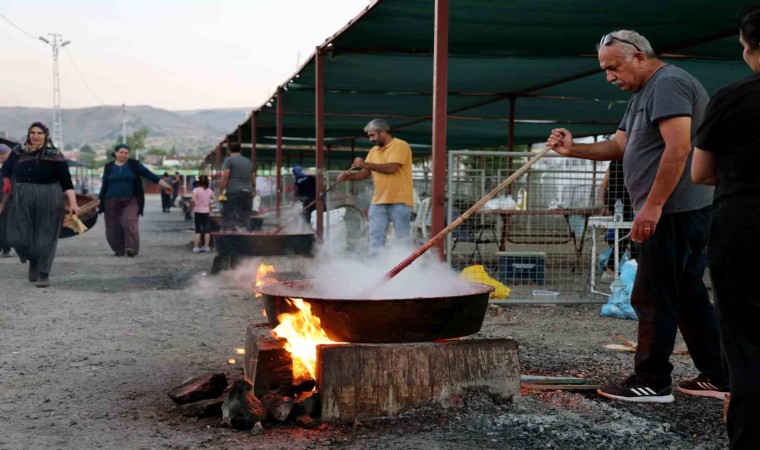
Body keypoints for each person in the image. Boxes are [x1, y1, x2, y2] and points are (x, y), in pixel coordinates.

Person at [546, 30, 726, 403]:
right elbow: (619, 145)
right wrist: (571, 148)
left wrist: (654, 204)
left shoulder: (669, 83)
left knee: (654, 293)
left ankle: (652, 379)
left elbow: (679, 147)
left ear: (640, 57)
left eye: (614, 67)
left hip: (677, 210)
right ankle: (718, 374)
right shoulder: (643, 93)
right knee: (687, 293)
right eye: (605, 69)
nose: (609, 77)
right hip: (677, 210)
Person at [691, 8, 760, 448]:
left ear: (750, 45)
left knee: (747, 346)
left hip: (745, 233)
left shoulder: (734, 96)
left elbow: (701, 172)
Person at [1, 122, 80, 287]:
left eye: (40, 133)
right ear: (28, 134)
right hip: (22, 196)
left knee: (45, 235)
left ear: (46, 135)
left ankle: (43, 272)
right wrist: (7, 181)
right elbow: (5, 170)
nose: (36, 136)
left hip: (49, 197)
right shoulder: (18, 151)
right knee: (17, 236)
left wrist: (73, 203)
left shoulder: (53, 153)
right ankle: (33, 261)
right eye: (33, 132)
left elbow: (66, 181)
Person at [337, 118, 414, 255]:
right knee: (375, 240)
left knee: (403, 240)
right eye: (369, 136)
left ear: (383, 132)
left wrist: (365, 164)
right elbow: (364, 174)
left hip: (400, 201)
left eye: (372, 135)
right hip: (378, 202)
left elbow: (392, 168)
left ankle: (407, 272)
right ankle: (376, 272)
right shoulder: (373, 151)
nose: (371, 139)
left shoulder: (400, 145)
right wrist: (347, 176)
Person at [99, 144, 172, 257]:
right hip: (110, 200)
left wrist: (165, 185)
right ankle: (119, 249)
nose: (124, 154)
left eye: (126, 153)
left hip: (131, 200)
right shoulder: (108, 166)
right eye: (121, 152)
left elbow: (150, 175)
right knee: (112, 226)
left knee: (129, 222)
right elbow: (105, 184)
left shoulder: (134, 165)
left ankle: (131, 248)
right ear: (116, 153)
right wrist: (100, 199)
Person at [598, 159, 634, 282]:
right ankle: (612, 268)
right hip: (628, 200)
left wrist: (604, 204)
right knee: (629, 233)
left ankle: (615, 267)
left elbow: (604, 184)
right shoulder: (634, 158)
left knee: (625, 232)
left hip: (615, 200)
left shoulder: (614, 162)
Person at [218, 143, 254, 231]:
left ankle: (231, 238)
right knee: (245, 216)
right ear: (240, 150)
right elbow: (253, 178)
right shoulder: (248, 161)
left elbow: (225, 177)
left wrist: (220, 191)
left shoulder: (229, 160)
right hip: (247, 192)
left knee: (230, 217)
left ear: (229, 151)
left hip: (233, 192)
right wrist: (253, 190)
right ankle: (245, 238)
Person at [191, 176, 216, 253]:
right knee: (207, 230)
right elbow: (215, 200)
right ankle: (206, 247)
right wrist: (210, 206)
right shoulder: (210, 191)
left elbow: (192, 200)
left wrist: (194, 205)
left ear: (199, 183)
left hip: (197, 212)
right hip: (206, 212)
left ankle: (196, 247)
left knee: (197, 230)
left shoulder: (196, 190)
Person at [0, 143, 13, 257]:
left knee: (5, 226)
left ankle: (6, 249)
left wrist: (2, 204)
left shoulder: (10, 170)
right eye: (8, 154)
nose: (10, 156)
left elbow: (9, 189)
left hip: (6, 202)